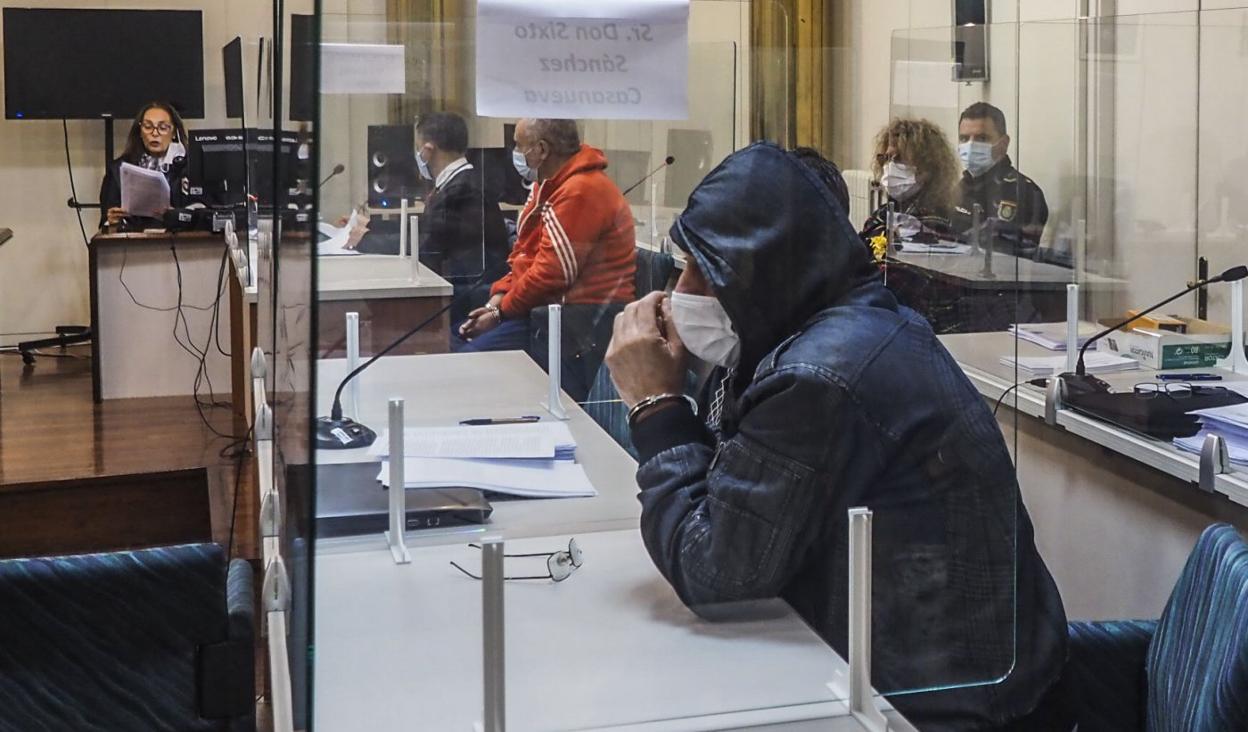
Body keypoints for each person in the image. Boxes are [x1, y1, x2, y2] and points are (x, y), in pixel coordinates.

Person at [605, 142, 1069, 731]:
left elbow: (717, 577)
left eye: (708, 269)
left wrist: (656, 406)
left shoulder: (819, 374)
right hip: (923, 673)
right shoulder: (833, 322)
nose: (683, 289)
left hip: (937, 709)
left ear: (767, 268)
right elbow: (734, 511)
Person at [455, 118, 636, 399]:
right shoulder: (548, 185)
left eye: (518, 144)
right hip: (545, 310)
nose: (514, 152)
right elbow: (523, 256)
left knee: (468, 365)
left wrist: (500, 313)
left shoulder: (580, 191)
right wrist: (496, 301)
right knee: (457, 340)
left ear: (541, 149)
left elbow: (551, 275)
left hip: (576, 320)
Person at [951, 102, 1049, 258]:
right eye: (964, 138)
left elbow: (1009, 250)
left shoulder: (1022, 191)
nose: (970, 146)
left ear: (1004, 143)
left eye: (981, 138)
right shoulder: (961, 186)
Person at [859, 118, 959, 245]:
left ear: (928, 167)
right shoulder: (882, 214)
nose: (889, 167)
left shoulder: (940, 223)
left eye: (899, 159)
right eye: (886, 158)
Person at [99, 101, 193, 230]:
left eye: (163, 127)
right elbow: (105, 221)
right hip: (133, 242)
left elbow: (200, 214)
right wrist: (111, 220)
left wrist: (176, 216)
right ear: (140, 131)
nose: (155, 133)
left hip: (181, 240)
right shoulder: (118, 169)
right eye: (148, 127)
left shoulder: (189, 167)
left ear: (174, 132)